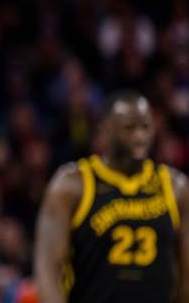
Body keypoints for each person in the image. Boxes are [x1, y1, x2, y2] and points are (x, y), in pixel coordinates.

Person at [34, 91, 189, 303]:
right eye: (129, 128)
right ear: (105, 131)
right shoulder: (73, 184)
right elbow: (47, 269)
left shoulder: (175, 187)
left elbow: (186, 273)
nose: (139, 136)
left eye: (145, 127)